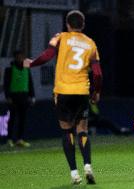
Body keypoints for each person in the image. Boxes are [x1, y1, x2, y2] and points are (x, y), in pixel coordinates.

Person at [23, 10, 102, 185]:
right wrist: (96, 92)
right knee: (82, 130)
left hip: (63, 91)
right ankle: (87, 165)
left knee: (67, 131)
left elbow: (47, 55)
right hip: (82, 92)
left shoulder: (60, 37)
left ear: (67, 24)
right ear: (82, 25)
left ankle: (74, 173)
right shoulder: (90, 44)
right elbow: (97, 74)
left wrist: (32, 63)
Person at [3, 50, 35, 148]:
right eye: (19, 56)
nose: (21, 58)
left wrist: (32, 96)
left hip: (24, 97)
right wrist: (8, 97)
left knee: (22, 119)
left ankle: (19, 139)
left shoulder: (26, 69)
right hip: (13, 97)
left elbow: (30, 83)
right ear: (15, 57)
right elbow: (6, 84)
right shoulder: (9, 69)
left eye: (22, 56)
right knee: (12, 119)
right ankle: (9, 140)